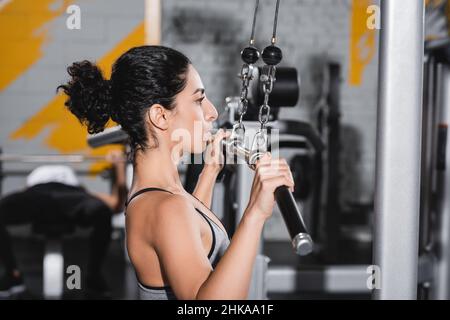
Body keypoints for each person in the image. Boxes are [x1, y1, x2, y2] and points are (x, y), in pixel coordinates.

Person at [58, 45, 295, 300]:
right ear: (160, 116)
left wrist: (210, 170)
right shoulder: (166, 207)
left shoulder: (161, 197)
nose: (212, 112)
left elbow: (194, 234)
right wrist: (255, 214)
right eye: (199, 99)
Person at [0, 150, 127, 298]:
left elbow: (116, 205)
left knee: (103, 211)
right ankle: (12, 272)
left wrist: (120, 166)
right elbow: (116, 204)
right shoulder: (31, 189)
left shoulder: (79, 190)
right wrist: (119, 167)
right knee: (102, 210)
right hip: (40, 193)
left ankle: (93, 274)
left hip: (68, 194)